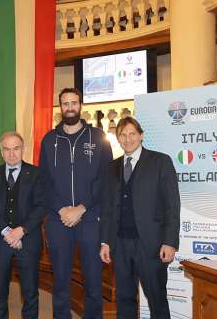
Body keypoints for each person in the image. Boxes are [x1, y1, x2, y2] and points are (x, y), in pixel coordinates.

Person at [39, 88, 112, 319]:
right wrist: (62, 209)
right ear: (60, 107)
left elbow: (105, 180)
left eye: (73, 102)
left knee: (92, 280)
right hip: (58, 219)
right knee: (60, 280)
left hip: (89, 218)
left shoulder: (98, 137)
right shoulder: (50, 140)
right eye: (64, 103)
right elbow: (44, 181)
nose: (69, 107)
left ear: (80, 105)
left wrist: (81, 208)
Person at [100, 117, 180, 319]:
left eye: (132, 134)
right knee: (124, 300)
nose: (128, 139)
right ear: (118, 138)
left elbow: (172, 205)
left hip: (151, 245)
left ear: (141, 135)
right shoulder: (111, 167)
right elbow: (107, 208)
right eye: (123, 135)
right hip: (120, 244)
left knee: (157, 300)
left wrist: (170, 242)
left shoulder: (160, 161)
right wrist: (105, 242)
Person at [0, 132, 45, 319]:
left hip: (28, 240)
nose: (12, 154)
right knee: (0, 293)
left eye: (16, 148)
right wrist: (7, 232)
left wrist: (21, 231)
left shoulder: (36, 174)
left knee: (30, 293)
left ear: (22, 149)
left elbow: (41, 206)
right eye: (7, 149)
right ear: (1, 152)